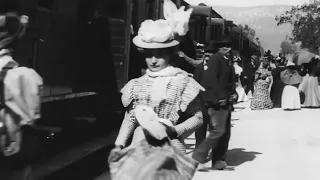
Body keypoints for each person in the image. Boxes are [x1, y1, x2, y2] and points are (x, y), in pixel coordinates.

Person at [108, 4, 203, 179]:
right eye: (149, 54)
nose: (153, 60)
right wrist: (119, 144)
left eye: (159, 54)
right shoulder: (137, 84)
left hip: (171, 147)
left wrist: (175, 130)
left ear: (170, 53)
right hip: (140, 147)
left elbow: (198, 118)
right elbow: (130, 117)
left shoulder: (183, 82)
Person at [192, 46, 237, 171]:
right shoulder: (211, 63)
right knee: (216, 131)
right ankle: (199, 156)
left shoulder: (227, 62)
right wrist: (220, 97)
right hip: (212, 102)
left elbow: (228, 82)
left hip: (222, 102)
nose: (228, 50)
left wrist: (233, 94)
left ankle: (218, 161)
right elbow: (206, 82)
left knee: (224, 132)